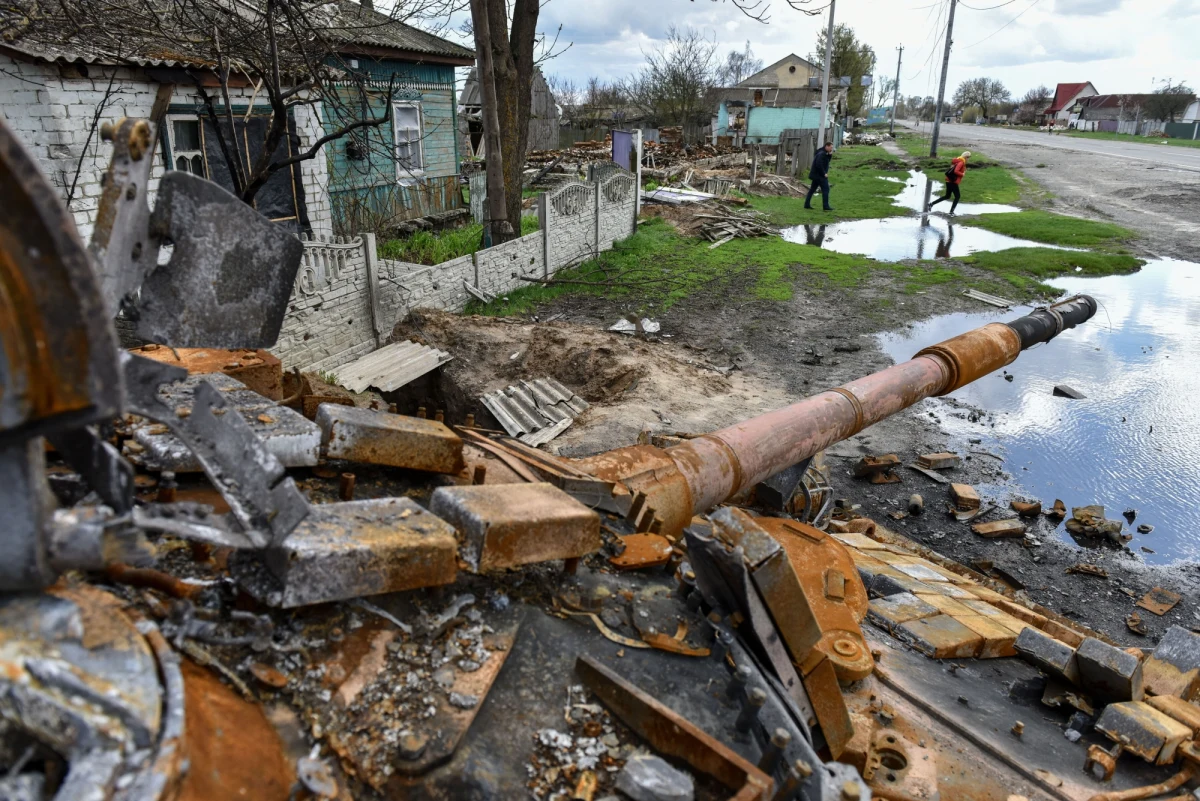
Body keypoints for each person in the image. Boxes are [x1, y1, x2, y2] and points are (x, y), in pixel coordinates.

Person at [804, 141, 835, 211]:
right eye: (831, 147)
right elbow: (819, 164)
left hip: (816, 175)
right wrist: (824, 173)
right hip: (820, 175)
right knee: (826, 189)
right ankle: (826, 206)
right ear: (826, 146)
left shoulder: (823, 152)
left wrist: (830, 155)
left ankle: (806, 204)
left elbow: (826, 161)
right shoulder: (822, 154)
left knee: (812, 189)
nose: (831, 149)